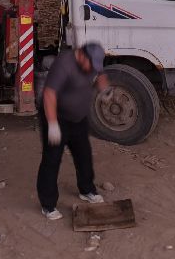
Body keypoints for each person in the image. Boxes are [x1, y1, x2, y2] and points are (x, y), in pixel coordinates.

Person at [36, 42, 108, 220]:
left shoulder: (91, 63)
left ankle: (87, 190)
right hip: (56, 117)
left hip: (78, 119)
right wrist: (52, 124)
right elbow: (49, 94)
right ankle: (48, 205)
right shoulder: (64, 64)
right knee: (52, 160)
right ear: (82, 56)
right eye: (91, 65)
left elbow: (100, 75)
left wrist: (105, 89)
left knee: (84, 155)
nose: (92, 69)